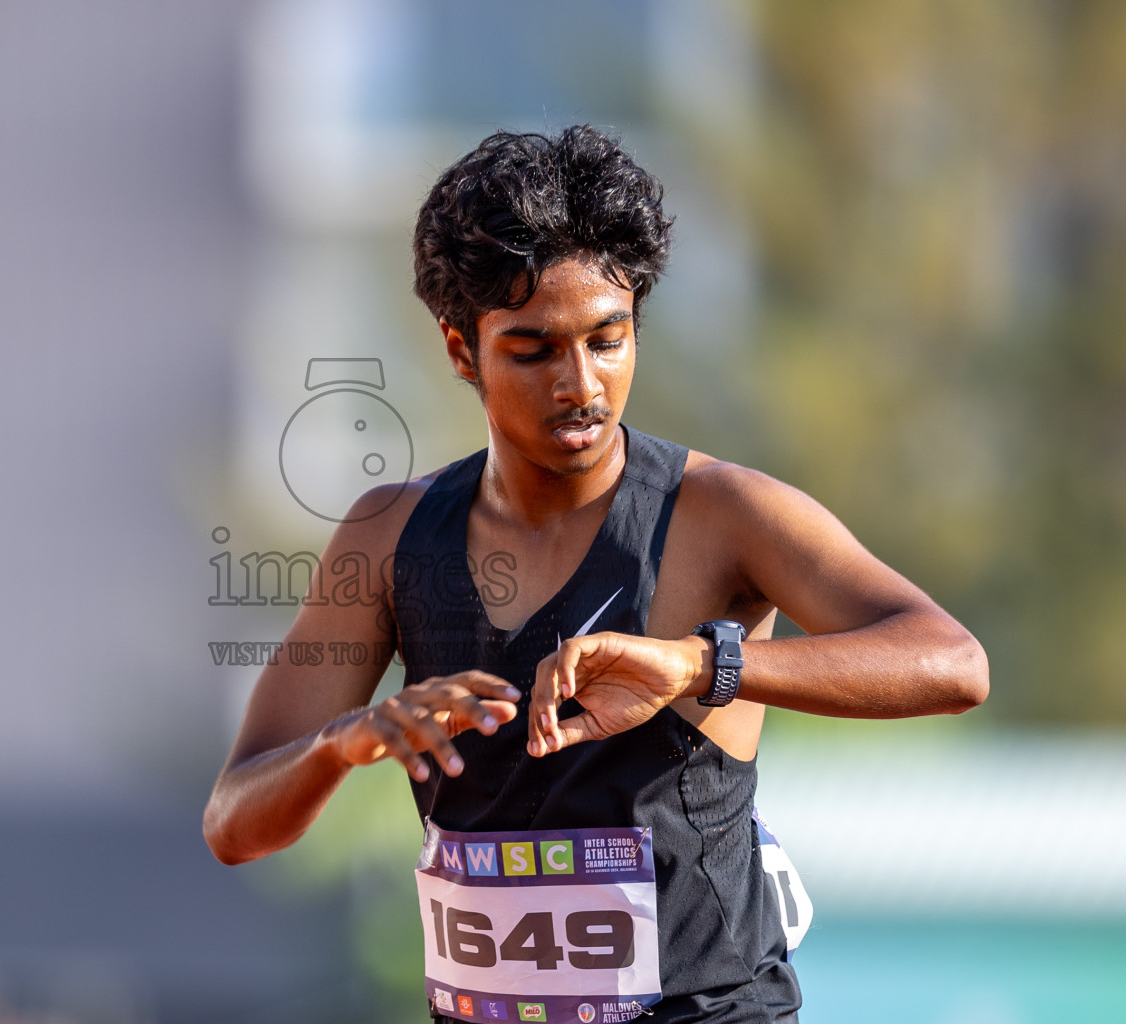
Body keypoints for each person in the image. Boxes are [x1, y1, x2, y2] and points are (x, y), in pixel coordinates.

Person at [204, 126, 988, 1023]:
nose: (581, 385)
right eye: (534, 351)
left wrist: (697, 666)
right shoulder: (388, 537)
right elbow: (236, 823)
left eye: (607, 339)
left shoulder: (721, 515)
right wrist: (348, 741)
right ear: (463, 352)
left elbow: (952, 663)